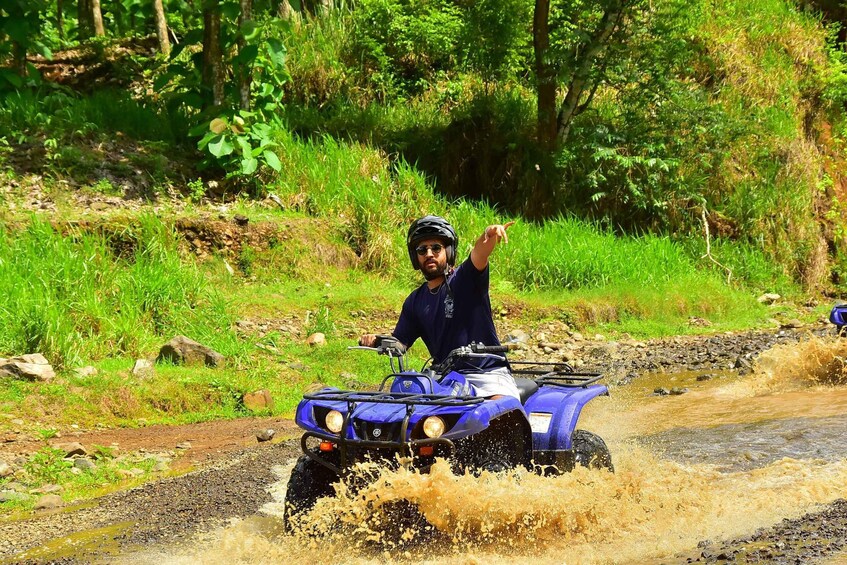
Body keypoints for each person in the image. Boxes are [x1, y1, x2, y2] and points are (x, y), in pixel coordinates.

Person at [359, 215, 520, 400]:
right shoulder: (414, 301)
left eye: (436, 248)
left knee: (498, 414)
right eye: (422, 249)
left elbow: (479, 254)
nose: (429, 254)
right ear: (415, 256)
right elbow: (400, 343)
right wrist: (376, 340)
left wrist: (489, 234)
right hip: (446, 380)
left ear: (448, 251)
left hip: (487, 375)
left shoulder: (465, 279)